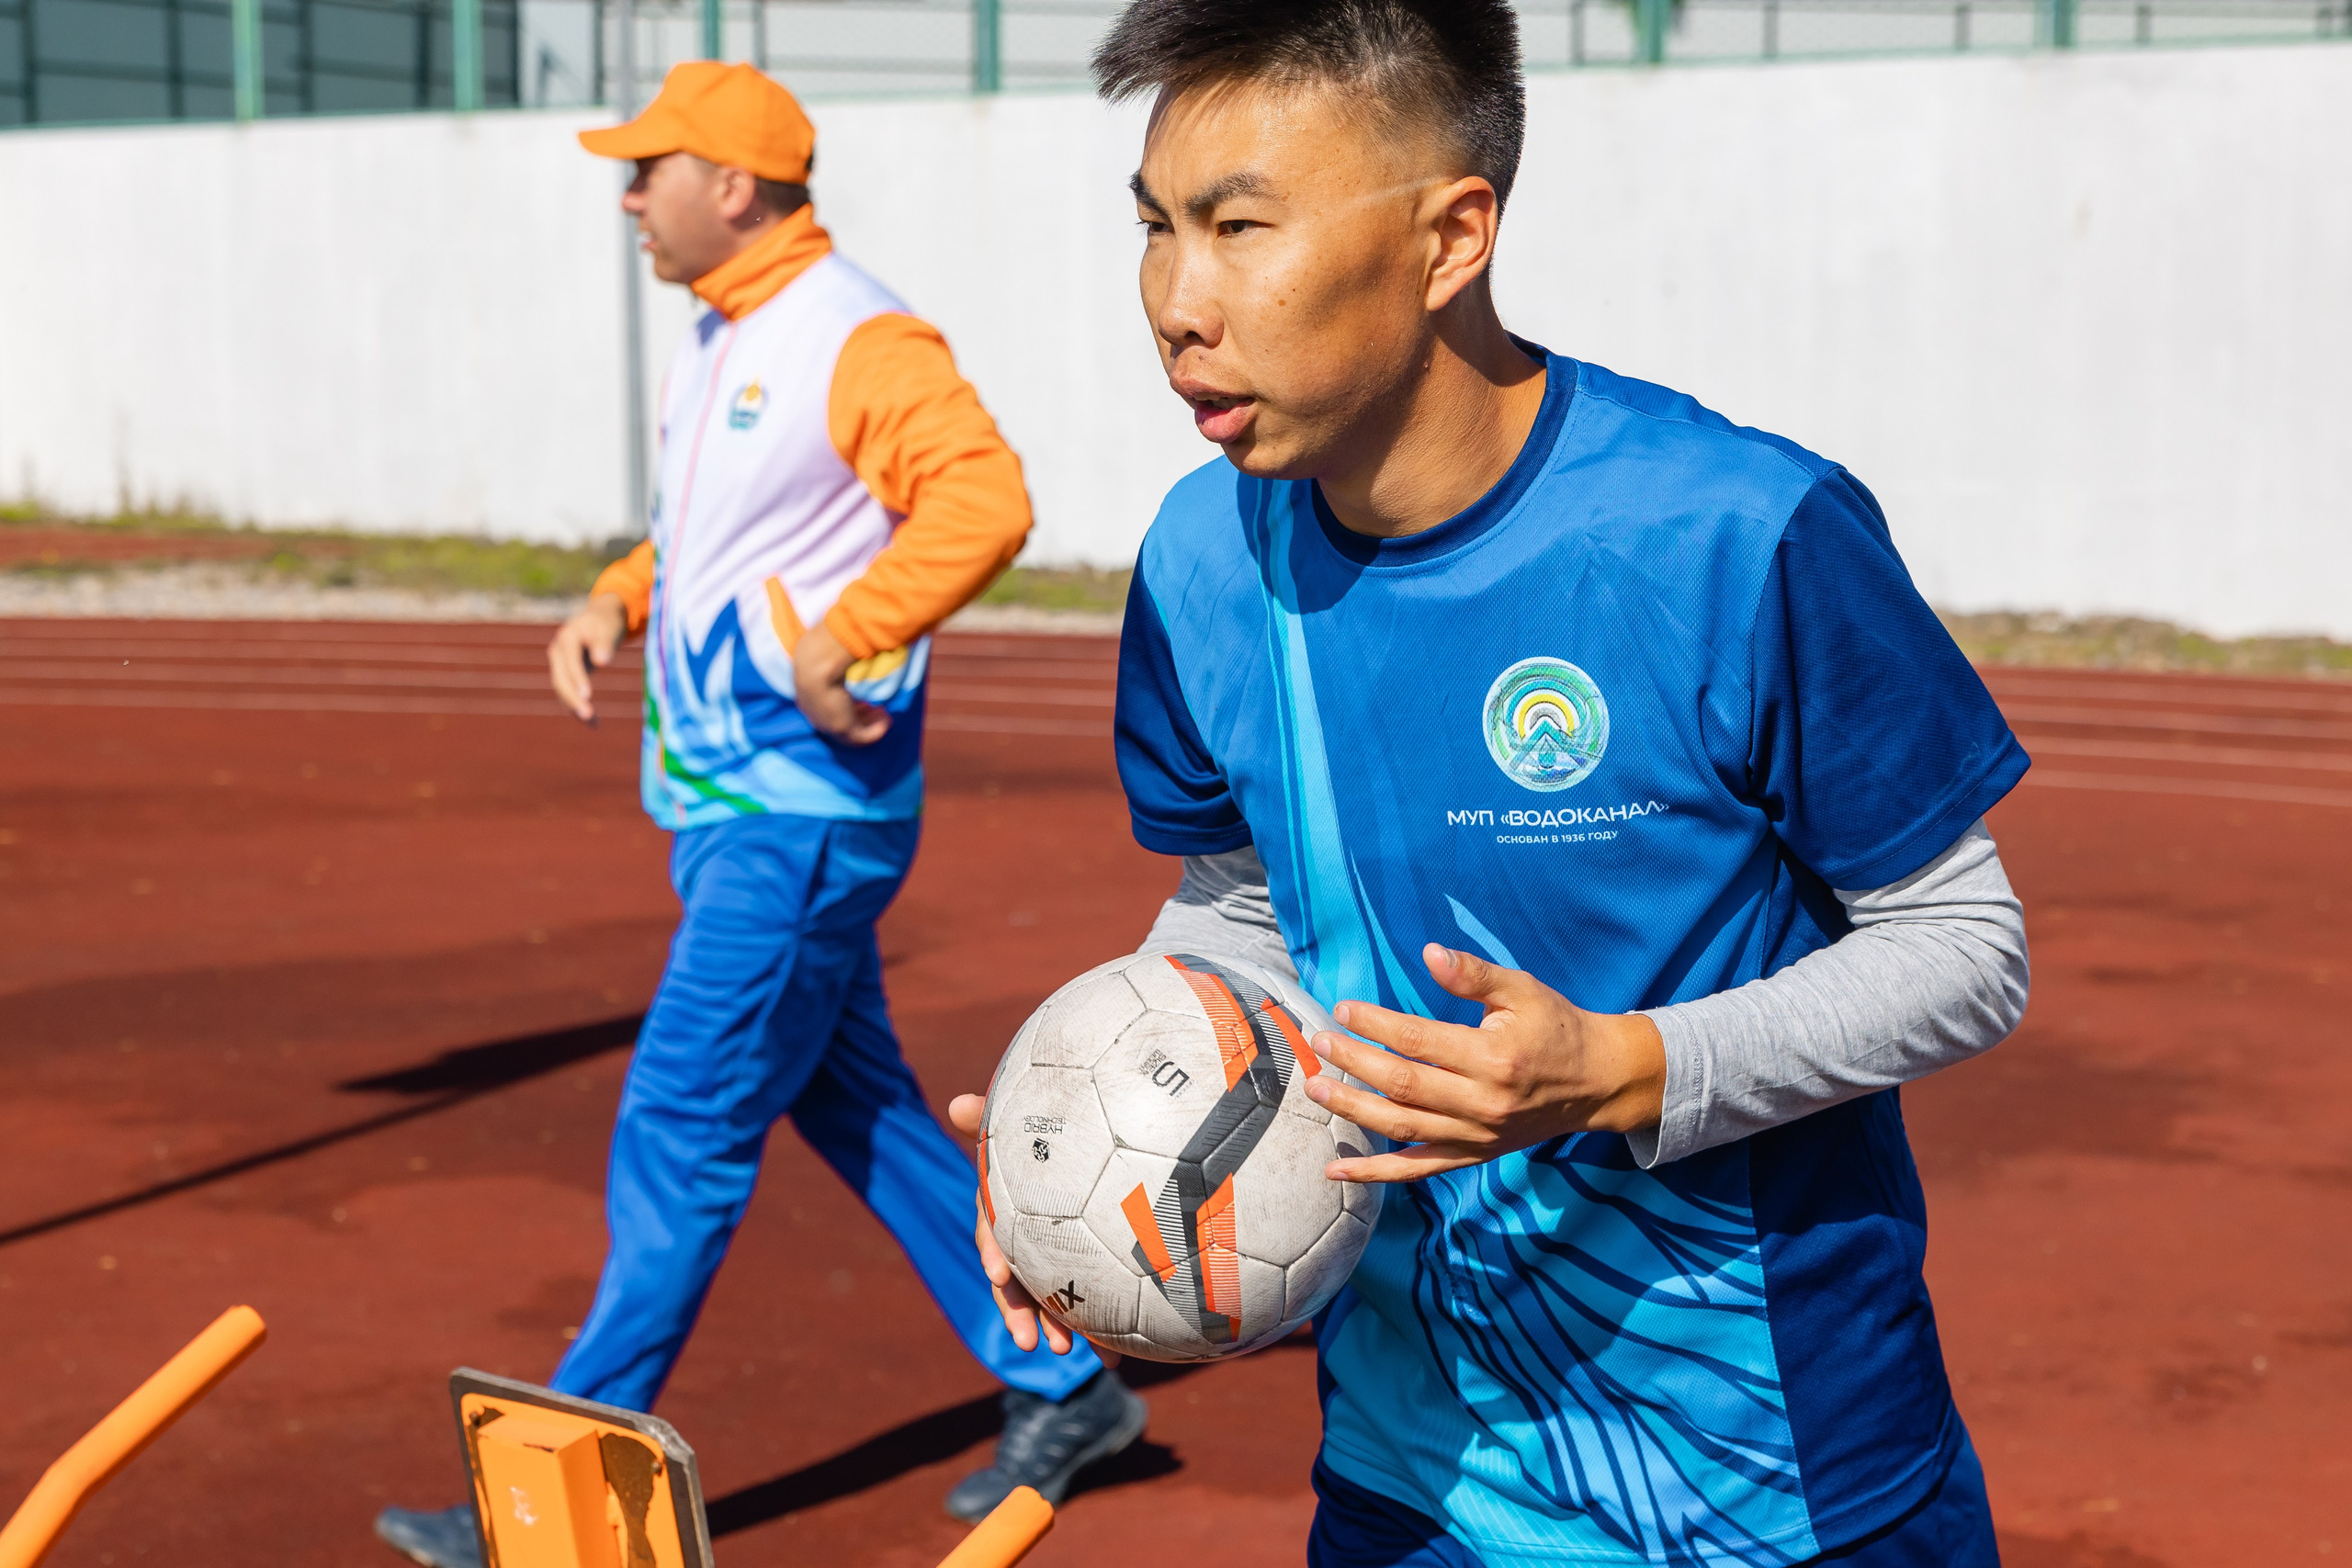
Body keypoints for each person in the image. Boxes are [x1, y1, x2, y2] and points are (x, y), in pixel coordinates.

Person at [951, 3, 2031, 1564]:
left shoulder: (1739, 535)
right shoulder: (1198, 560)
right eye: (1156, 228)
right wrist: (1096, 1115)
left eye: (1241, 227)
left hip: (1780, 1491)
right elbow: (1248, 904)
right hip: (1417, 1484)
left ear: (1452, 236)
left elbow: (1965, 948)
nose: (1179, 302)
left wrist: (1624, 1068)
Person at [372, 62, 1144, 1568]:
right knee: (853, 1108)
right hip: (747, 816)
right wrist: (616, 597)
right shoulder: (726, 335)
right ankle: (1066, 1382)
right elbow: (715, 536)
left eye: (644, 170)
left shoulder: (854, 333)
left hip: (797, 822)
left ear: (732, 185)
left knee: (676, 1125)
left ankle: (560, 1504)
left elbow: (981, 497)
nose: (624, 197)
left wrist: (847, 633)